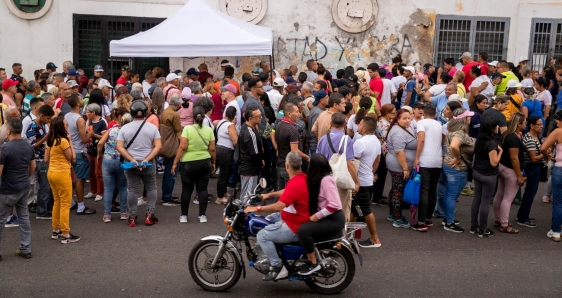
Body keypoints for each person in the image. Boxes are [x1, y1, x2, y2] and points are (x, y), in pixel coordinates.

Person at [244, 151, 309, 281]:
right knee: (266, 220)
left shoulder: (296, 183)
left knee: (262, 235)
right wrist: (268, 195)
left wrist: (257, 208)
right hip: (290, 217)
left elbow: (279, 206)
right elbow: (287, 192)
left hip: (294, 225)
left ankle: (277, 266)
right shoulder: (301, 178)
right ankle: (269, 253)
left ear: (287, 166)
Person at [296, 153, 345, 275]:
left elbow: (335, 204)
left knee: (303, 231)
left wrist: (317, 216)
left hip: (333, 220)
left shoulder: (326, 180)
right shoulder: (317, 179)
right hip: (328, 218)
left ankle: (312, 263)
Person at [116, 101, 162, 227]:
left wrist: (131, 159)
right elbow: (158, 146)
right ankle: (149, 215)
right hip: (148, 163)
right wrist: (147, 159)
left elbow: (119, 147)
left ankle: (132, 217)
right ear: (145, 112)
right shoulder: (152, 128)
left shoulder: (124, 128)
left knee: (132, 189)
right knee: (151, 187)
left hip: (131, 164)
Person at [171, 106, 216, 223]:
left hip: (188, 163)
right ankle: (202, 215)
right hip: (205, 161)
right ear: (204, 116)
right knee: (202, 189)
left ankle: (184, 216)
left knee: (186, 190)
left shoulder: (187, 129)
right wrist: (213, 162)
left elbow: (182, 147)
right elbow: (212, 149)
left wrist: (175, 162)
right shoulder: (209, 130)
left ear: (193, 117)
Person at [0, 118, 36, 258]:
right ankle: (25, 248)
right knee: (24, 217)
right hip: (23, 186)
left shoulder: (4, 149)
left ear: (8, 131)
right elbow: (32, 167)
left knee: (1, 219)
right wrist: (25, 177)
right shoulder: (28, 146)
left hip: (8, 188)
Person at [317, 112, 360, 221]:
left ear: (330, 123)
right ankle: (339, 235)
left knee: (325, 208)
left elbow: (318, 160)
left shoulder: (323, 139)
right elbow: (349, 163)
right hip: (340, 179)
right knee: (341, 209)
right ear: (345, 123)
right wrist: (356, 181)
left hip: (324, 179)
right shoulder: (346, 140)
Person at [439, 108, 474, 233]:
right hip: (457, 169)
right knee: (452, 196)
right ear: (463, 119)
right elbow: (454, 145)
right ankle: (449, 222)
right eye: (468, 116)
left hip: (448, 165)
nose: (470, 118)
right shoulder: (459, 133)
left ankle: (447, 218)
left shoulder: (452, 129)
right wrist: (458, 158)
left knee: (448, 194)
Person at [46, 116, 80, 243]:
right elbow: (73, 158)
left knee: (57, 202)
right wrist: (70, 141)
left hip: (51, 172)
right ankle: (66, 234)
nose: (67, 127)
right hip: (62, 173)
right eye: (65, 125)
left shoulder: (50, 141)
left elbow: (46, 159)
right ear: (61, 127)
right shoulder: (63, 141)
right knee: (65, 203)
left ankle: (56, 230)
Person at [493, 112, 527, 234]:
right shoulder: (513, 138)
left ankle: (498, 219)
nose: (526, 124)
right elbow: (514, 158)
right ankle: (504, 224)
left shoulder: (507, 134)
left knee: (500, 194)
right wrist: (519, 176)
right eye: (524, 122)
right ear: (519, 124)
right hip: (510, 170)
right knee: (508, 198)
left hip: (502, 166)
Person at [351, 117, 382, 247]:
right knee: (353, 209)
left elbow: (352, 163)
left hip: (360, 182)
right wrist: (371, 172)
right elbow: (377, 161)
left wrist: (355, 181)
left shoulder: (360, 142)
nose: (357, 125)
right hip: (367, 179)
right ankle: (349, 236)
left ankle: (375, 238)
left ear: (364, 128)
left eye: (359, 124)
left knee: (366, 210)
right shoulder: (376, 140)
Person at [64, 94, 96, 215]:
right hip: (79, 151)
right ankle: (81, 206)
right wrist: (91, 133)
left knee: (72, 178)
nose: (82, 101)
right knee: (79, 180)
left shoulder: (67, 115)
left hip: (70, 150)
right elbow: (84, 139)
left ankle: (72, 202)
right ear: (77, 103)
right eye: (81, 99)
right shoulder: (79, 119)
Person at [413, 104, 443, 231]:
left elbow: (421, 140)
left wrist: (416, 157)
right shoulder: (439, 124)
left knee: (423, 190)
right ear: (435, 114)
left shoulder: (422, 123)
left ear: (424, 113)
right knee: (432, 189)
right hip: (437, 160)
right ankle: (428, 218)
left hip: (425, 160)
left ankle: (420, 221)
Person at [471, 117, 502, 238]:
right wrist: (500, 152)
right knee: (485, 201)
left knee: (476, 199)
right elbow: (494, 163)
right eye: (496, 126)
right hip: (489, 175)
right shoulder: (492, 144)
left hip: (477, 172)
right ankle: (483, 229)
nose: (498, 128)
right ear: (492, 128)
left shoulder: (479, 140)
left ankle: (474, 226)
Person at [98, 113, 132, 222]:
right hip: (122, 160)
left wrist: (99, 153)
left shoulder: (112, 129)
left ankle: (107, 214)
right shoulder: (129, 132)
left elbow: (100, 142)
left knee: (108, 188)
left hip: (108, 159)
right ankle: (123, 212)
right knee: (122, 187)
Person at [385, 109, 417, 227]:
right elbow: (399, 152)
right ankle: (397, 219)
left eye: (409, 118)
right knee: (398, 191)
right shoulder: (398, 132)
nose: (407, 120)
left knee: (395, 189)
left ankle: (393, 214)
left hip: (399, 165)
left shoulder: (405, 128)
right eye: (404, 118)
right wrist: (405, 169)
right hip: (398, 166)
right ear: (398, 119)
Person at [25, 104, 54, 219]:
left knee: (45, 186)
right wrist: (46, 137)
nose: (49, 121)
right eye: (48, 118)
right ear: (42, 115)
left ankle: (44, 208)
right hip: (38, 160)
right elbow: (32, 146)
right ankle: (41, 211)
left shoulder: (42, 125)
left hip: (43, 158)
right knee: (44, 186)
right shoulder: (33, 126)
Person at [516, 116, 546, 228]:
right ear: (532, 126)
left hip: (535, 167)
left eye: (542, 124)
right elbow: (533, 158)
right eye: (539, 124)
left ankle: (523, 214)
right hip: (532, 167)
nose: (541, 127)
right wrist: (545, 153)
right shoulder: (529, 139)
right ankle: (523, 218)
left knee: (530, 192)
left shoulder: (536, 136)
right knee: (530, 193)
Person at [274, 102, 310, 189]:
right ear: (289, 114)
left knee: (282, 194)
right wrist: (308, 158)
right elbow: (295, 150)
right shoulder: (292, 129)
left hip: (280, 164)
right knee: (290, 195)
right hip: (289, 167)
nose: (299, 114)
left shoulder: (279, 124)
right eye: (297, 112)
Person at [540, 114, 562, 241]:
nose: (557, 123)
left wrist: (547, 155)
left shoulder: (558, 132)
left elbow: (543, 147)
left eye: (558, 120)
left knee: (558, 203)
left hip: (560, 168)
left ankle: (556, 231)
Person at [160, 94, 183, 206]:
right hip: (173, 146)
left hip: (165, 145)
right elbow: (179, 134)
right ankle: (167, 196)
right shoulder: (174, 115)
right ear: (178, 104)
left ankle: (165, 194)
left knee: (167, 172)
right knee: (172, 172)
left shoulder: (164, 112)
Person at [371, 104, 396, 206]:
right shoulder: (385, 125)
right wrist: (388, 154)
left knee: (380, 174)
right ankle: (377, 197)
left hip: (379, 150)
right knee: (381, 175)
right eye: (393, 113)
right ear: (387, 113)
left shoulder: (380, 122)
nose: (394, 115)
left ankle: (378, 195)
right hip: (383, 152)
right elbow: (385, 140)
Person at [237, 107, 264, 199]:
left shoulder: (245, 126)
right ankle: (244, 212)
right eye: (258, 116)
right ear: (250, 118)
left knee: (246, 193)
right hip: (250, 168)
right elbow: (255, 153)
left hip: (245, 166)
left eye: (261, 115)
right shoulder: (250, 134)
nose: (261, 118)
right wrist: (261, 162)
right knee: (248, 196)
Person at [214, 106, 238, 204]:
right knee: (224, 174)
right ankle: (219, 197)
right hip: (226, 150)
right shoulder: (230, 125)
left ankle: (223, 192)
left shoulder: (220, 122)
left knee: (225, 172)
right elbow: (235, 140)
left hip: (218, 148)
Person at [85, 103, 107, 202]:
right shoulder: (89, 121)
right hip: (90, 149)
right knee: (91, 172)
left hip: (99, 150)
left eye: (88, 112)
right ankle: (93, 191)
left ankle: (100, 192)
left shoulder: (102, 122)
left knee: (98, 172)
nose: (86, 113)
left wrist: (94, 135)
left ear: (94, 112)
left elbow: (104, 137)